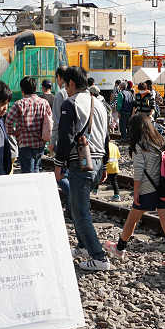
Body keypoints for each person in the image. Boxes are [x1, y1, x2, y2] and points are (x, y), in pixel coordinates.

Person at [103, 113, 165, 270]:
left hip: (147, 190)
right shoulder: (163, 140)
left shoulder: (140, 145)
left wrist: (136, 192)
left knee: (132, 219)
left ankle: (119, 249)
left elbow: (139, 172)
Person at [54, 65, 111, 272]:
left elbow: (66, 136)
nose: (65, 89)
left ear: (70, 83)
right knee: (79, 206)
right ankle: (83, 246)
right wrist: (104, 165)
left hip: (80, 162)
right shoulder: (100, 104)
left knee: (80, 212)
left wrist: (58, 164)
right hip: (96, 161)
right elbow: (106, 137)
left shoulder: (71, 103)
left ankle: (99, 257)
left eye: (65, 85)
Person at [5, 76, 52, 174]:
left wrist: (13, 133)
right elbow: (50, 122)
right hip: (40, 143)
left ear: (22, 90)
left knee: (28, 173)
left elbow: (8, 121)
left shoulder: (19, 104)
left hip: (25, 143)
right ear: (35, 89)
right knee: (36, 169)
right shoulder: (44, 103)